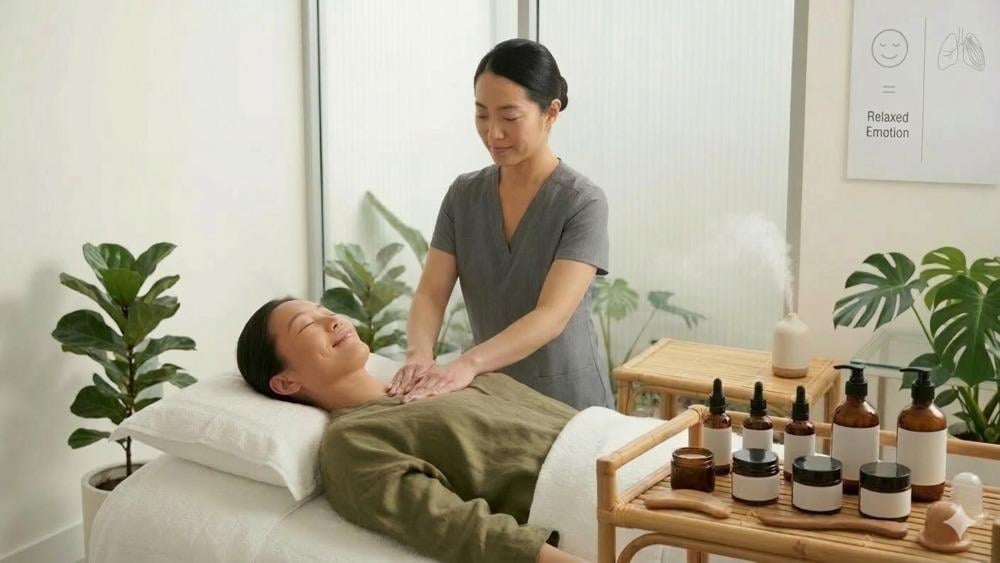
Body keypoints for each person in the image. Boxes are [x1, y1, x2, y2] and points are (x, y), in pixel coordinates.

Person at [236, 298, 584, 563]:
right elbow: (457, 527)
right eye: (306, 325)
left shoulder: (441, 377)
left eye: (324, 309)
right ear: (286, 382)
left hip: (610, 440)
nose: (332, 320)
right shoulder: (351, 441)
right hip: (597, 494)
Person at [389, 39, 613, 410]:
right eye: (482, 115)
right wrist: (419, 355)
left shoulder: (582, 202)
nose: (493, 133)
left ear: (550, 113)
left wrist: (467, 363)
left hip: (568, 403)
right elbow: (431, 292)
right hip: (491, 398)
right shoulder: (463, 196)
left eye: (509, 118)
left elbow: (551, 316)